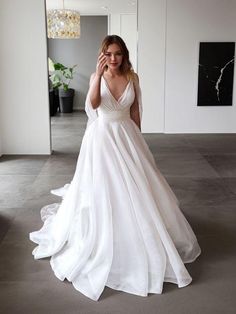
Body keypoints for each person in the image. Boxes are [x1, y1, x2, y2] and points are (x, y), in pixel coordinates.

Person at [29, 35, 201, 301]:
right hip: (102, 137)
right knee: (106, 187)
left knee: (139, 186)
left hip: (128, 136)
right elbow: (94, 106)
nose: (113, 58)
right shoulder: (98, 77)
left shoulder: (133, 78)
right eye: (108, 53)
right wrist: (97, 76)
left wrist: (140, 143)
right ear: (102, 55)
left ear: (124, 54)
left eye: (118, 53)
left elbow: (135, 113)